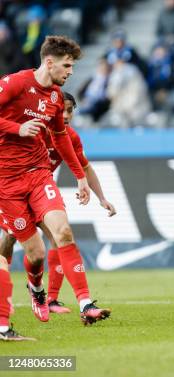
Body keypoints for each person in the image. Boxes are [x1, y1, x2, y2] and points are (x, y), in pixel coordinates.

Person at [0, 36, 111, 332]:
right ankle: (36, 288)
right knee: (34, 254)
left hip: (38, 174)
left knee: (63, 231)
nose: (71, 71)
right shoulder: (14, 84)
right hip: (6, 180)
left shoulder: (56, 98)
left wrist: (78, 176)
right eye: (67, 65)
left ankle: (86, 304)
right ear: (49, 62)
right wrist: (17, 128)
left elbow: (61, 138)